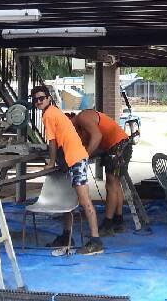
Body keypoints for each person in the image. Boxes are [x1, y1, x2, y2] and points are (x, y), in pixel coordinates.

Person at [31, 84, 103, 255]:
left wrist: (51, 162)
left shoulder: (49, 114)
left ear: (49, 98)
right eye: (35, 100)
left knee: (84, 200)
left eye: (42, 98)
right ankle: (66, 235)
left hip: (76, 160)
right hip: (73, 158)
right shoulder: (54, 112)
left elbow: (52, 142)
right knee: (67, 201)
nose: (39, 101)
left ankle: (96, 240)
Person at [71, 108, 133, 236]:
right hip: (120, 145)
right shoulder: (81, 126)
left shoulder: (83, 118)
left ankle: (108, 224)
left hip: (117, 147)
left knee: (111, 186)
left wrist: (85, 156)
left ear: (71, 118)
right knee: (116, 185)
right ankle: (118, 219)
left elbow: (97, 136)